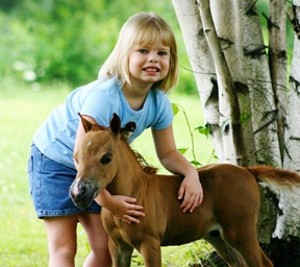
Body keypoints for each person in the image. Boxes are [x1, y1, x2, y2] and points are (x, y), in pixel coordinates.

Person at [28, 12, 203, 267]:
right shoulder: (105, 98)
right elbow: (81, 153)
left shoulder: (159, 104)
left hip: (100, 168)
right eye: (143, 50)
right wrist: (108, 201)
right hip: (54, 160)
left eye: (162, 53)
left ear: (171, 60)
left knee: (105, 249)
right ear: (125, 55)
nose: (153, 58)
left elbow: (167, 154)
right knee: (64, 247)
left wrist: (191, 174)